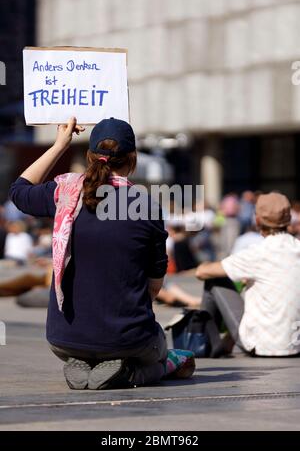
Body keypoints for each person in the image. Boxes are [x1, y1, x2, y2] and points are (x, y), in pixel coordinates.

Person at [9, 117, 194, 390]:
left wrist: (60, 144)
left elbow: (19, 191)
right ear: (132, 159)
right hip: (126, 340)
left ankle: (84, 362)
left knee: (95, 344)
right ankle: (128, 373)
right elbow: (154, 286)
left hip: (63, 338)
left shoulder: (64, 194)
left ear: (89, 156)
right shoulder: (147, 207)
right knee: (159, 349)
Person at [196, 192, 300, 357]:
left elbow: (202, 272)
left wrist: (205, 265)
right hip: (296, 345)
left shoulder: (257, 253)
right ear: (288, 220)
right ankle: (225, 344)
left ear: (257, 220)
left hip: (262, 345)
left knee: (214, 280)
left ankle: (205, 344)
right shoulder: (297, 248)